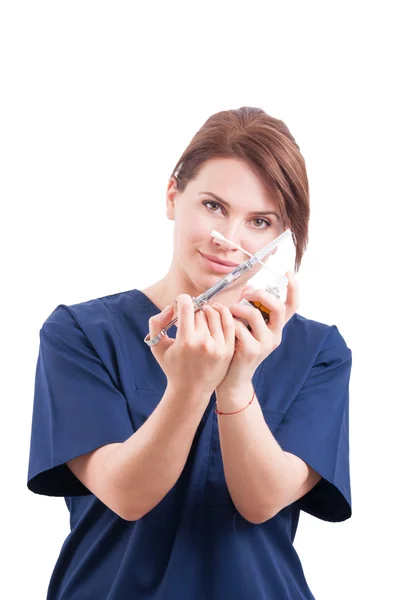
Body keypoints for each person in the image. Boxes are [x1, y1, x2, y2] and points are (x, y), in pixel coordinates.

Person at [27, 106, 352, 600]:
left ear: (282, 239)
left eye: (260, 221)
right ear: (173, 195)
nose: (229, 239)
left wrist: (236, 383)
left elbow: (263, 501)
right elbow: (126, 495)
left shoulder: (317, 351)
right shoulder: (79, 333)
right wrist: (188, 387)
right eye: (214, 206)